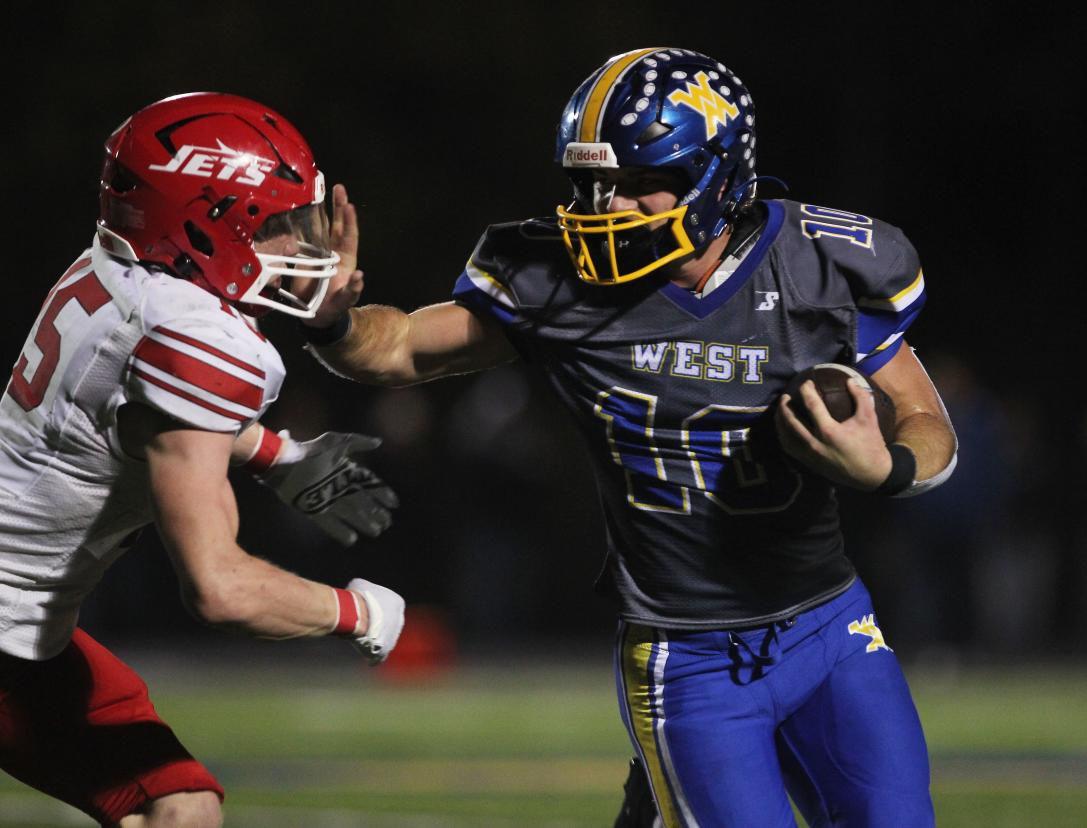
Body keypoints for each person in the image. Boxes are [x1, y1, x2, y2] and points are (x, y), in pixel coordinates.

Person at [307, 47, 957, 827]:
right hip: (689, 654)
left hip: (830, 626)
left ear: (717, 175)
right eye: (593, 184)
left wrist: (885, 468)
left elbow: (927, 422)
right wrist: (333, 317)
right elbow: (399, 348)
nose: (609, 207)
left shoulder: (823, 264)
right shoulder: (558, 280)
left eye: (640, 182)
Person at [0, 93, 406, 827]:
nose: (302, 245)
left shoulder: (114, 272)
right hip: (8, 637)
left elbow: (133, 412)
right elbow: (221, 589)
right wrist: (359, 613)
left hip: (23, 635)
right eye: (279, 226)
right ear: (206, 223)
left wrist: (279, 456)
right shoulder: (195, 334)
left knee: (180, 807)